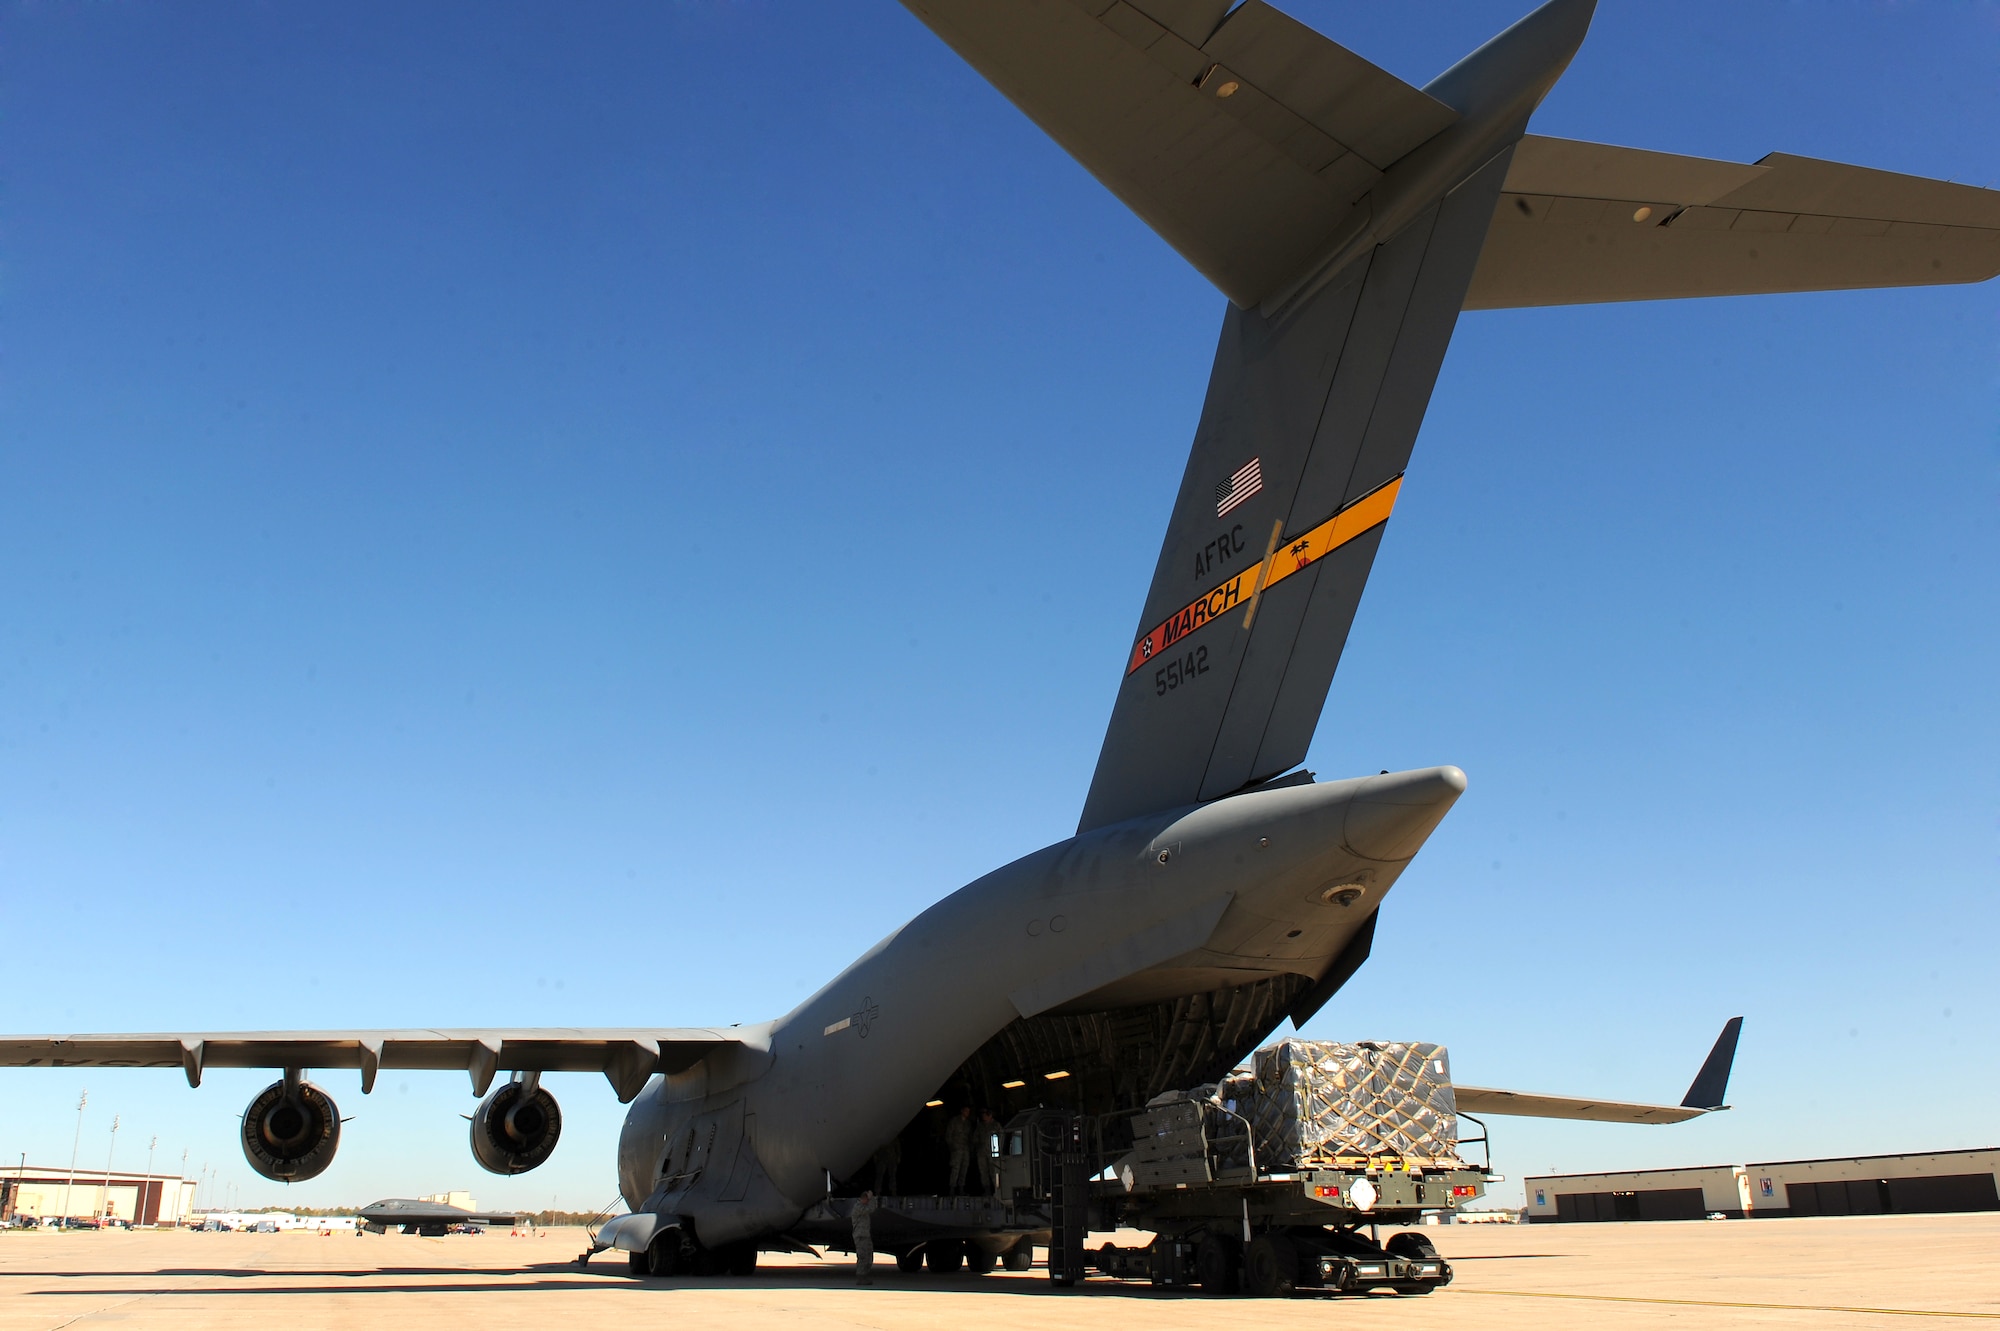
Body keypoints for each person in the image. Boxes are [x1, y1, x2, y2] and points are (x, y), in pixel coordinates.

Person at [850, 1189, 879, 1285]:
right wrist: (872, 1199)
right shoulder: (858, 1207)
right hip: (860, 1236)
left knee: (868, 1257)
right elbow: (871, 1209)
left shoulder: (862, 1206)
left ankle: (864, 1276)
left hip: (865, 1235)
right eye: (867, 1199)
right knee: (863, 1257)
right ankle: (861, 1277)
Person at [944, 1106, 973, 1194]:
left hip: (965, 1149)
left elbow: (970, 1137)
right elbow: (948, 1135)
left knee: (964, 1168)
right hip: (956, 1149)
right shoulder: (954, 1121)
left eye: (968, 1111)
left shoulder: (968, 1123)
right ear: (962, 1111)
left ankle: (961, 1187)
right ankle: (952, 1188)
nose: (967, 1113)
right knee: (955, 1168)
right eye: (966, 1111)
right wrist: (952, 1147)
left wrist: (970, 1148)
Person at [977, 1109, 1001, 1197]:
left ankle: (997, 1190)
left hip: (993, 1153)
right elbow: (975, 1138)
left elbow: (1001, 1137)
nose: (983, 1117)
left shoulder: (996, 1125)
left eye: (985, 1115)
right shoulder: (980, 1126)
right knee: (983, 1172)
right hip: (982, 1153)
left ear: (990, 1115)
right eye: (983, 1115)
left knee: (994, 1172)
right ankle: (987, 1190)